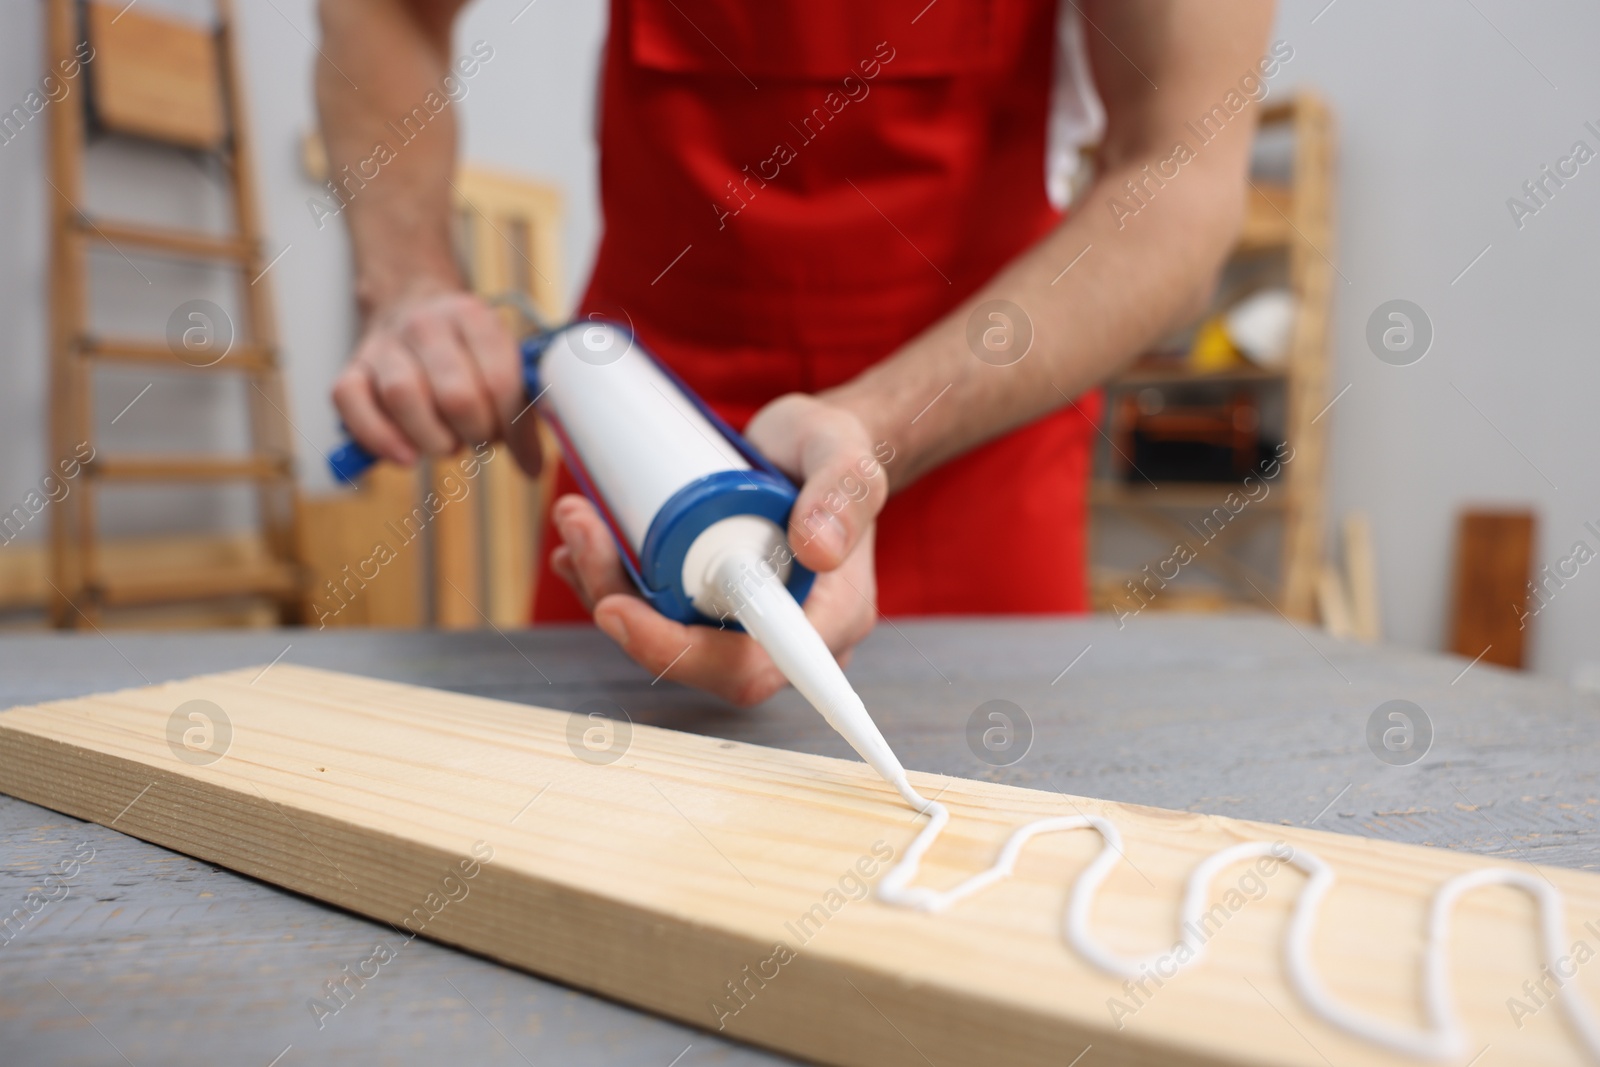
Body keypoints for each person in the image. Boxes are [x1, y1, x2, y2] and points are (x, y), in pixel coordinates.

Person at [318, 0, 1275, 705]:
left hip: (978, 423)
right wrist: (409, 280)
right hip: (643, 430)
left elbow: (1180, 173)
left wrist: (874, 429)